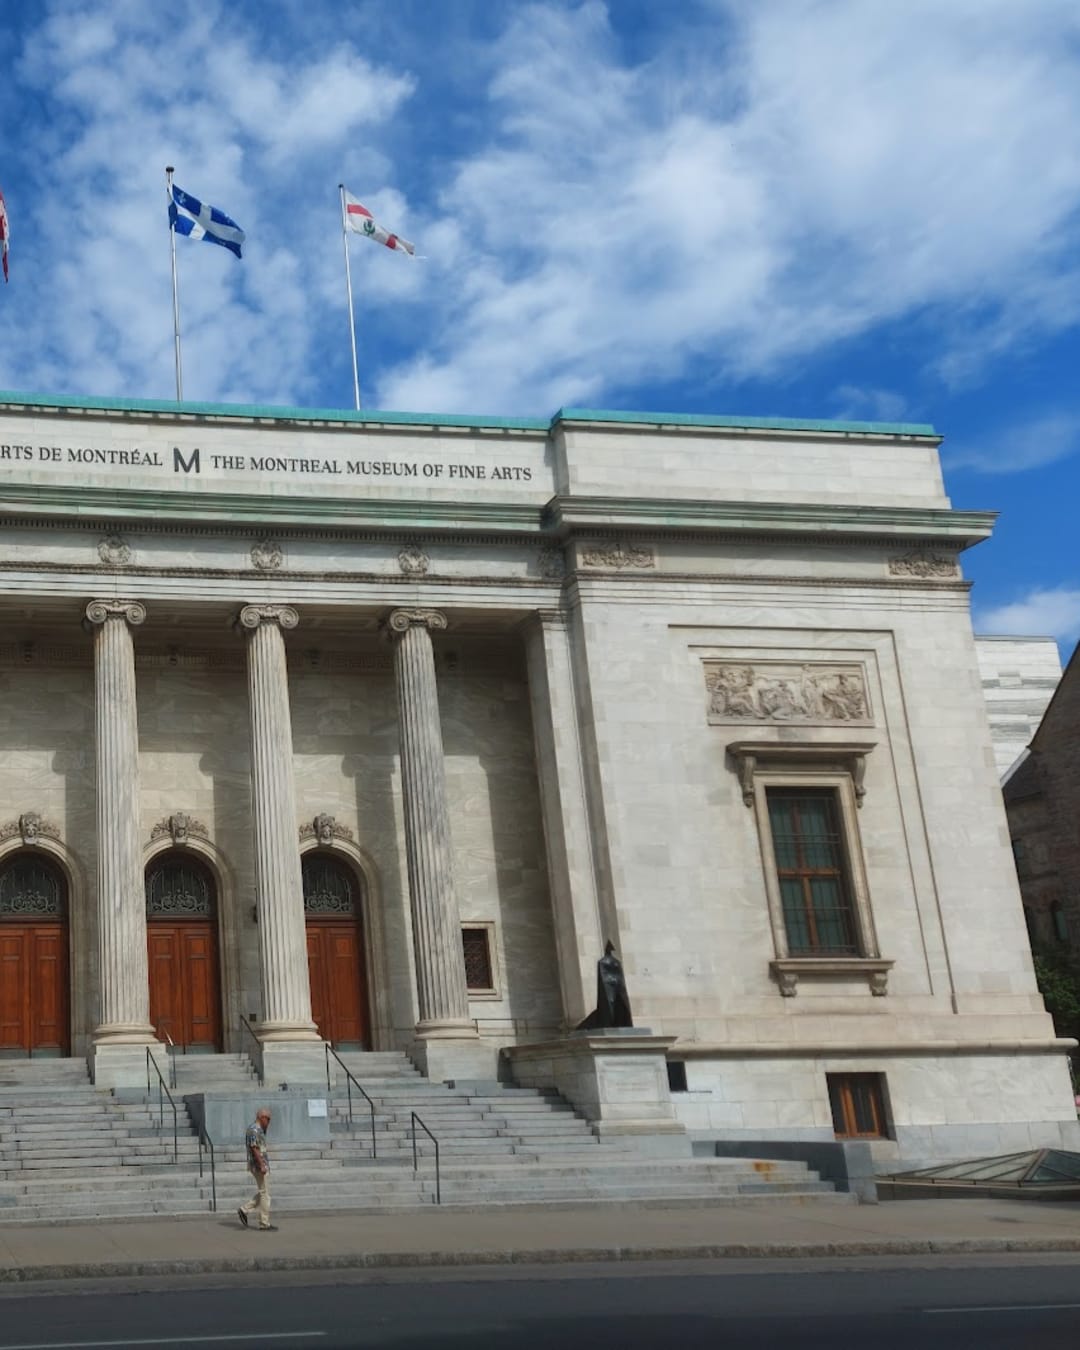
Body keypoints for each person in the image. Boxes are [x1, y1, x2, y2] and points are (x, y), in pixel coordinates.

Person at [237, 1107, 276, 1231]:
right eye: (268, 1119)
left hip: (261, 1164)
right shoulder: (254, 1130)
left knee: (263, 1192)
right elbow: (255, 1149)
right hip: (259, 1166)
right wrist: (262, 1165)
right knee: (265, 1194)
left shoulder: (259, 1129)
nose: (269, 1122)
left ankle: (244, 1209)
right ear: (261, 1117)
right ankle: (264, 1223)